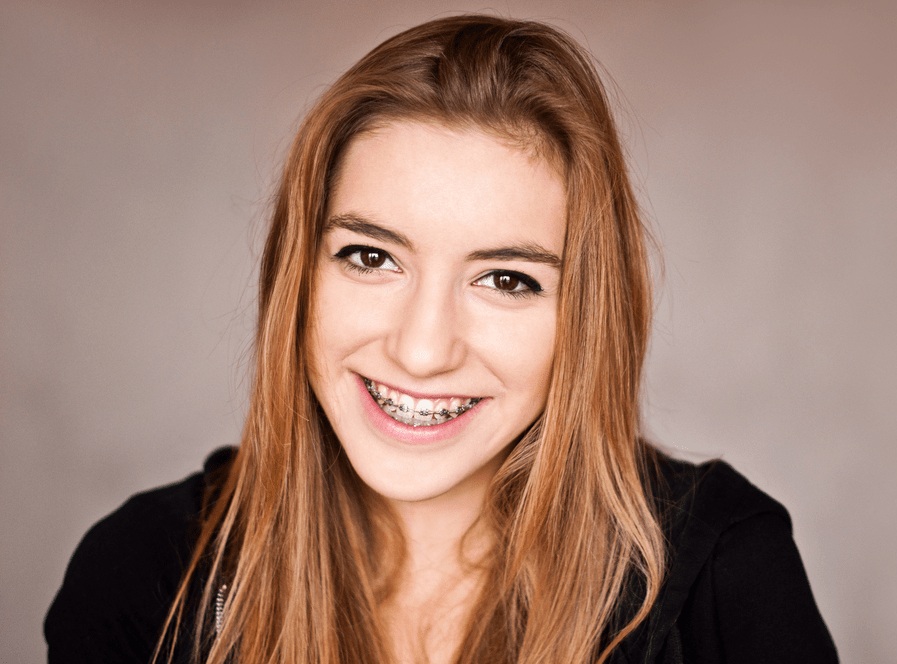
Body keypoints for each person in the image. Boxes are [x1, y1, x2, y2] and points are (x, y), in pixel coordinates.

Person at [45, 14, 838, 664]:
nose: (423, 350)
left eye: (507, 279)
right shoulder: (146, 576)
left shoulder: (726, 578)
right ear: (299, 277)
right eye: (371, 257)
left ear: (587, 318)